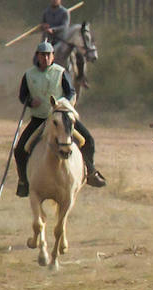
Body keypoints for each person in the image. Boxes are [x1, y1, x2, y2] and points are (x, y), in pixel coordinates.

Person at [14, 42, 105, 196]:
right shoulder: (29, 75)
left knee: (88, 140)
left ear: (53, 56)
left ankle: (90, 171)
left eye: (49, 55)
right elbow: (23, 95)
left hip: (61, 118)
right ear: (37, 56)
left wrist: (63, 104)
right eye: (42, 55)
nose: (46, 58)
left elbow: (70, 92)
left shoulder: (61, 72)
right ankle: (24, 181)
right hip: (40, 119)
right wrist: (30, 102)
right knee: (19, 150)